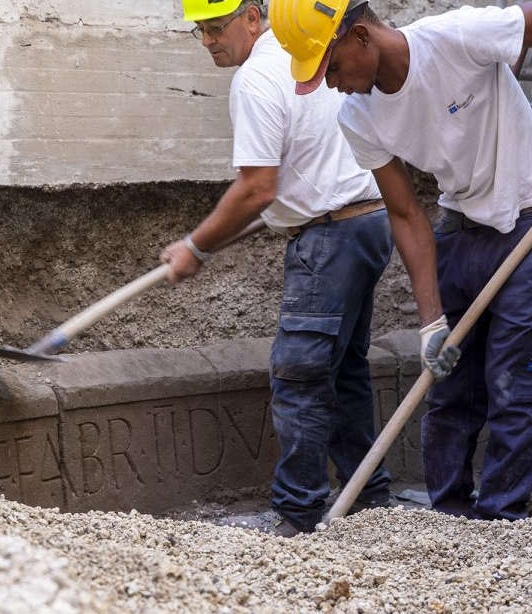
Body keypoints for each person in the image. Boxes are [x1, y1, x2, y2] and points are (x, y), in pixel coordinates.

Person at [270, 0, 532, 520]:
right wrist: (431, 321)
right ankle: (450, 524)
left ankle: (501, 525)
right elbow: (407, 214)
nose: (331, 85)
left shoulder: (458, 37)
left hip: (531, 215)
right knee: (448, 388)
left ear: (361, 37)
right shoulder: (358, 118)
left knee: (517, 386)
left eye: (332, 68)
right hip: (460, 228)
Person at [163, 0, 394, 535]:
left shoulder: (257, 79)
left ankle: (297, 512)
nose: (208, 41)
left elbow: (256, 187)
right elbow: (286, 177)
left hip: (330, 235)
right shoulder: (304, 57)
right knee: (346, 370)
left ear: (251, 16)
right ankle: (370, 499)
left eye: (215, 27)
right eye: (200, 31)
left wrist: (195, 247)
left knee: (300, 374)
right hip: (367, 220)